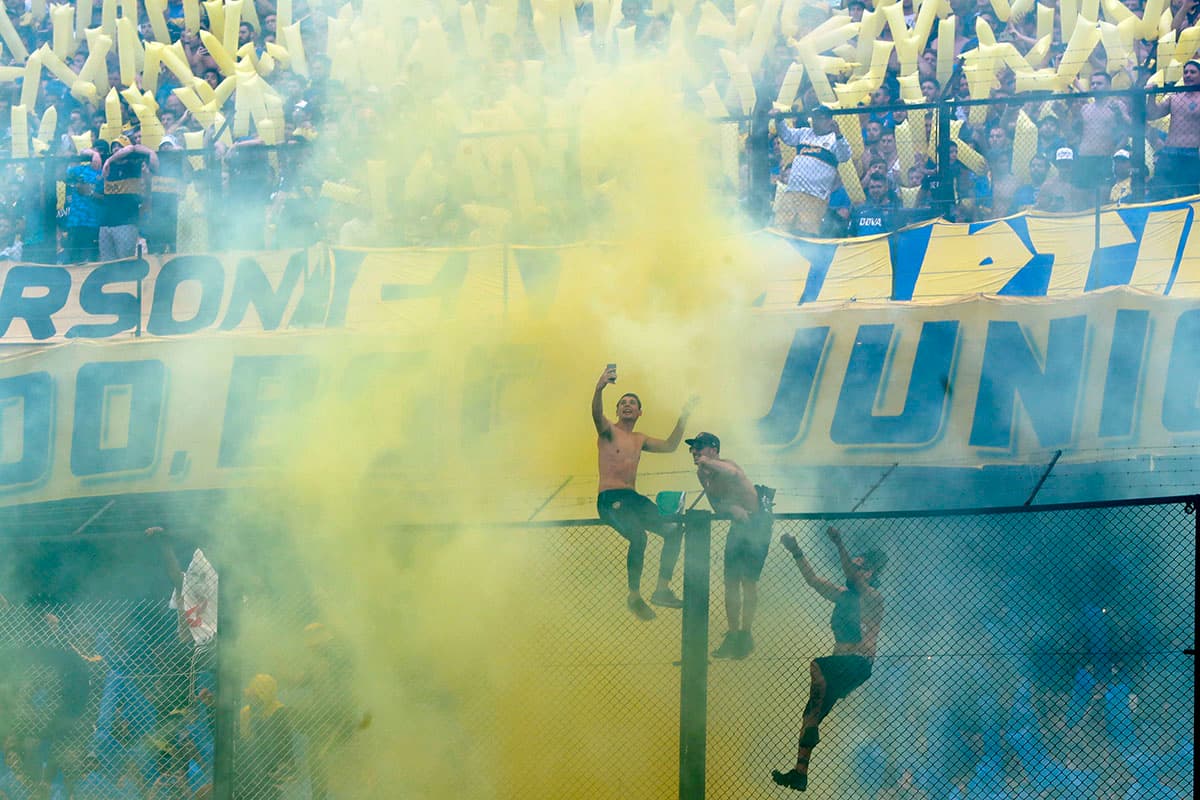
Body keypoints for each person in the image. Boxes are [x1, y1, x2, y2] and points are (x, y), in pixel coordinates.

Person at [772, 526, 887, 792]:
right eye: (853, 566)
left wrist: (839, 543)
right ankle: (800, 773)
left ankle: (814, 724)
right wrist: (796, 550)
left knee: (817, 666)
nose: (852, 570)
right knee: (810, 716)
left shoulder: (873, 597)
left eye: (858, 567)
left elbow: (853, 577)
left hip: (857, 663)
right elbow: (813, 580)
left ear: (869, 574)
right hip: (840, 667)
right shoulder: (843, 595)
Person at [593, 365, 698, 621]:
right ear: (617, 410)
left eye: (632, 403)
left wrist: (684, 416)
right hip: (610, 499)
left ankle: (662, 589)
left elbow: (670, 446)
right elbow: (596, 414)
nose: (627, 405)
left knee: (674, 530)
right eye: (623, 403)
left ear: (640, 412)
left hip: (632, 498)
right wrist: (600, 388)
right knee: (639, 537)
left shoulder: (639, 439)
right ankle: (634, 596)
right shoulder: (608, 431)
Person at [688, 432, 773, 660]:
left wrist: (708, 462)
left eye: (699, 447)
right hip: (738, 526)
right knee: (731, 581)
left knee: (748, 580)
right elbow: (716, 505)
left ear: (714, 450)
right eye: (693, 448)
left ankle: (746, 634)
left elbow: (733, 474)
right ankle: (733, 635)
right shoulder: (702, 474)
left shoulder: (727, 465)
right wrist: (731, 508)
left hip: (757, 523)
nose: (695, 451)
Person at [772, 106, 852, 235]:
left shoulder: (834, 139)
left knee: (806, 232)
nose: (815, 121)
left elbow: (844, 156)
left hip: (815, 195)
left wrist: (839, 135)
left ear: (829, 120)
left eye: (819, 118)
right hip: (793, 190)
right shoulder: (805, 133)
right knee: (781, 228)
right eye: (814, 118)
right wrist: (779, 120)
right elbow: (787, 136)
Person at [1147, 60, 1200, 200]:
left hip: (1191, 153)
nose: (1188, 75)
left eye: (1193, 72)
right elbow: (1152, 114)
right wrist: (1152, 95)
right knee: (1160, 193)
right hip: (1169, 151)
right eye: (1186, 72)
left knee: (1188, 194)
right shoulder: (1175, 97)